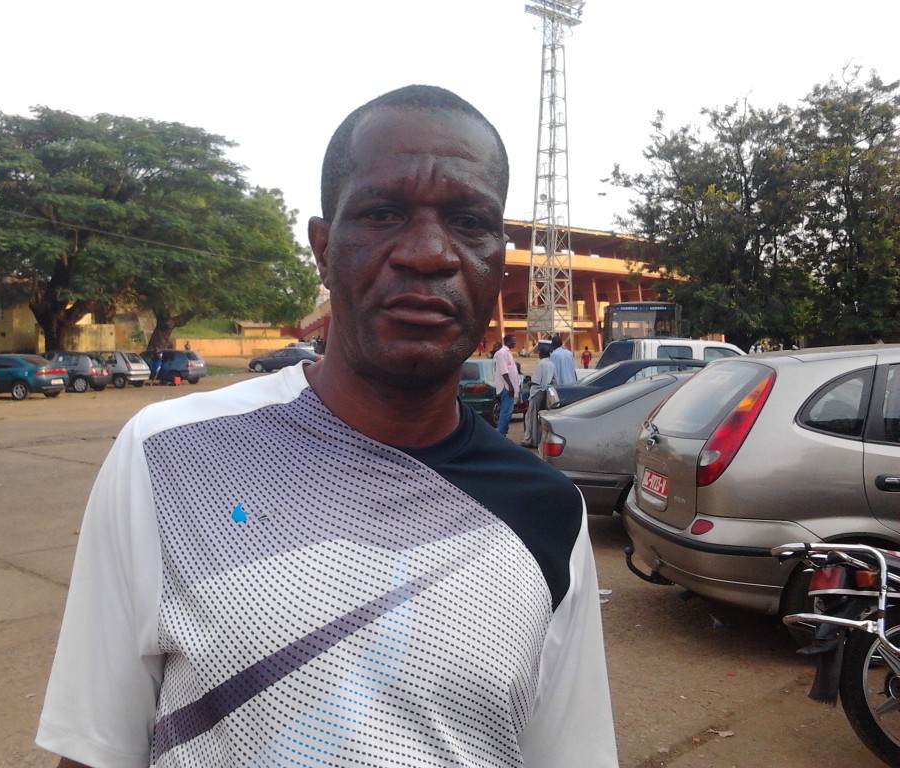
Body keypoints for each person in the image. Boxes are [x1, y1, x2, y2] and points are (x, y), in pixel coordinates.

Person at [36, 85, 617, 768]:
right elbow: (95, 750)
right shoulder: (169, 453)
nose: (428, 252)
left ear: (498, 257)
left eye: (468, 221)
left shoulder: (548, 513)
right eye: (382, 213)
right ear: (323, 247)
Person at [522, 344, 557, 448]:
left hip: (537, 392)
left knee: (531, 417)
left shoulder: (540, 364)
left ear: (540, 354)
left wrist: (529, 383)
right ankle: (537, 440)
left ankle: (531, 440)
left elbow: (536, 381)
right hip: (546, 391)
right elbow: (555, 379)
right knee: (539, 417)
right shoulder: (552, 364)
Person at [493, 333, 519, 436]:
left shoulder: (507, 353)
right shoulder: (502, 353)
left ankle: (502, 434)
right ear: (507, 341)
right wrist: (510, 386)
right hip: (506, 387)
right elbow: (504, 372)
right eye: (513, 340)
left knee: (507, 412)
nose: (515, 342)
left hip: (509, 387)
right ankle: (500, 435)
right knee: (506, 412)